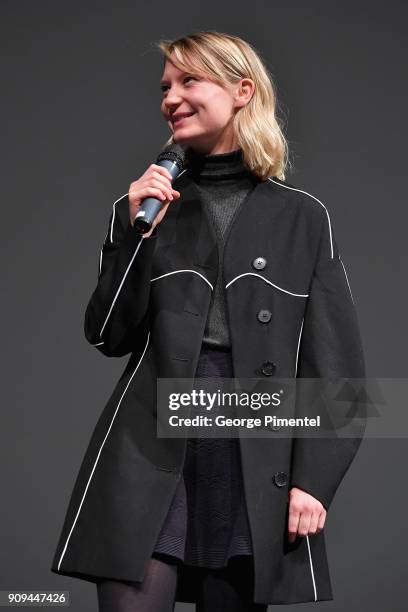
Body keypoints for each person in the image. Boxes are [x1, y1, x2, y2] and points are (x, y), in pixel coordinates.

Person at [51, 31, 366, 611]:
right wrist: (132, 234)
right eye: (165, 87)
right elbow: (105, 335)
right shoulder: (146, 208)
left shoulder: (302, 217)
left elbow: (339, 367)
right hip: (149, 444)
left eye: (189, 80)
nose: (171, 98)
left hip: (253, 450)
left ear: (243, 90)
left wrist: (313, 480)